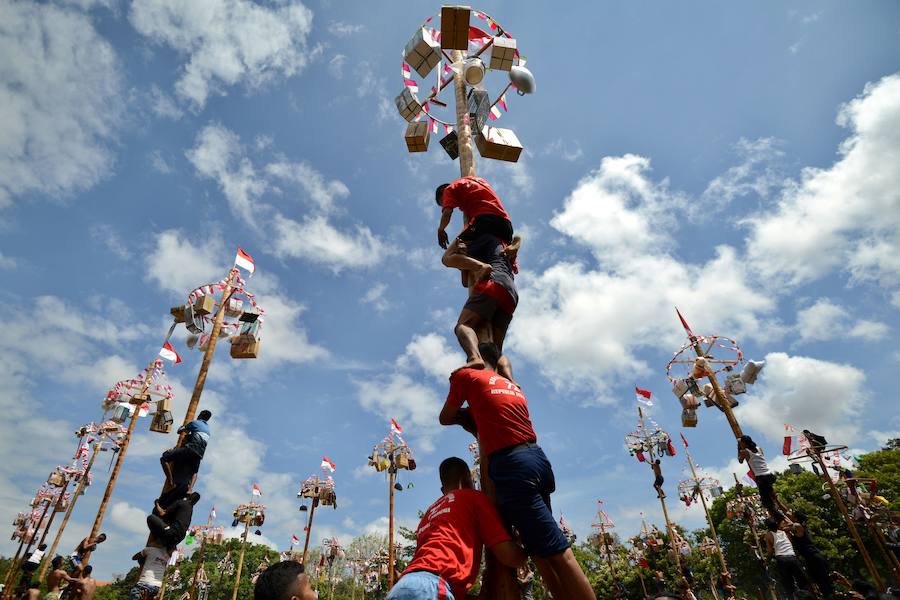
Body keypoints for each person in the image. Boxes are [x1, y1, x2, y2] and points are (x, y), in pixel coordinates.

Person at [439, 341, 595, 600]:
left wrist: (466, 411)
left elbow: (445, 417)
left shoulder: (467, 375)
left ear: (473, 355)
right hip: (537, 459)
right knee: (540, 550)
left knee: (558, 551)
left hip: (513, 467)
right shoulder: (513, 386)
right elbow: (503, 366)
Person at [388, 457, 525, 599]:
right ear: (465, 480)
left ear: (443, 489)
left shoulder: (428, 514)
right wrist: (528, 547)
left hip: (402, 586)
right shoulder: (473, 497)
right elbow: (510, 557)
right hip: (431, 587)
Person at [158, 410, 211, 509]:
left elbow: (180, 430)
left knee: (164, 458)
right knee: (194, 472)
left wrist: (183, 428)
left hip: (190, 449)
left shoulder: (195, 423)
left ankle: (170, 481)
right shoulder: (208, 430)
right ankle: (190, 489)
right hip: (199, 454)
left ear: (200, 415)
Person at [738, 436, 787, 524]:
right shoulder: (759, 448)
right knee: (772, 496)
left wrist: (739, 447)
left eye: (741, 442)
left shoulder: (744, 451)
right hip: (770, 475)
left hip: (761, 477)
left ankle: (781, 519)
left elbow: (740, 460)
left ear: (743, 443)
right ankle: (784, 513)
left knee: (767, 503)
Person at [790, 510, 835, 598]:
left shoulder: (798, 526)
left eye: (793, 516)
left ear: (796, 518)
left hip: (814, 558)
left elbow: (790, 524)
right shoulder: (800, 526)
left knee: (824, 585)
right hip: (811, 559)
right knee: (822, 584)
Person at [765, 519, 808, 599]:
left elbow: (770, 551)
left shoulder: (768, 535)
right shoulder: (785, 532)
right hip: (792, 557)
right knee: (802, 582)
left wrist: (767, 561)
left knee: (789, 585)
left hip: (781, 559)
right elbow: (791, 542)